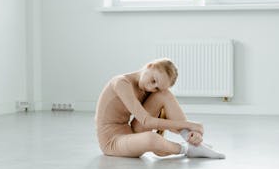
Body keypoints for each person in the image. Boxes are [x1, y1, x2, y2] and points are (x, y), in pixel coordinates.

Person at [95, 58, 225, 159]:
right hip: (113, 142)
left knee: (164, 95)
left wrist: (191, 131)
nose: (152, 88)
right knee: (151, 138)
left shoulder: (147, 88)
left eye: (157, 87)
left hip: (130, 132)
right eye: (153, 80)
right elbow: (147, 121)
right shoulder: (121, 83)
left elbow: (169, 124)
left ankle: (191, 140)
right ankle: (188, 149)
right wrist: (190, 124)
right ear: (149, 66)